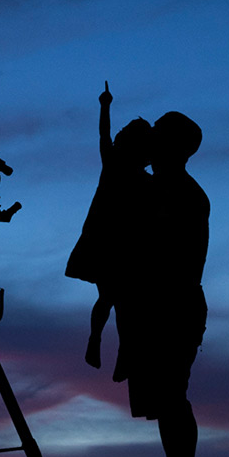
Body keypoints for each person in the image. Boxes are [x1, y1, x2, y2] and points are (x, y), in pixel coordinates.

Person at [123, 109, 209, 457]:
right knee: (165, 397)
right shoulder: (159, 188)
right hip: (161, 305)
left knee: (171, 396)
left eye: (158, 134)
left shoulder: (180, 194)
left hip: (174, 307)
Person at [65, 82, 153, 369]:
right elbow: (103, 134)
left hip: (111, 242)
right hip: (110, 243)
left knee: (111, 298)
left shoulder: (124, 168)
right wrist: (105, 106)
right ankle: (110, 348)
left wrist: (105, 105)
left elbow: (104, 135)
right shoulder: (121, 167)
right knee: (115, 299)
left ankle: (107, 346)